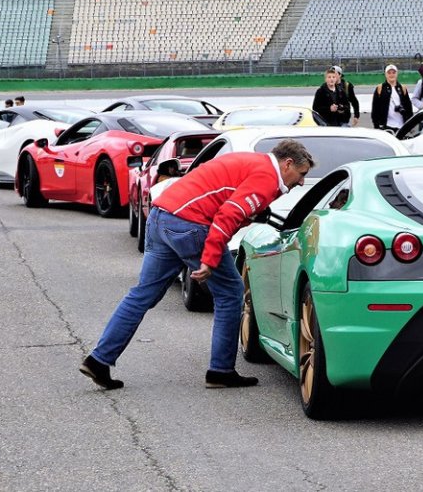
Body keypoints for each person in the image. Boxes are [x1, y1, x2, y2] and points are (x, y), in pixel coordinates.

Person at [81, 139, 314, 391]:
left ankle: (98, 360)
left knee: (142, 295)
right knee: (230, 293)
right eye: (301, 174)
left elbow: (228, 203)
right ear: (287, 163)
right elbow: (227, 215)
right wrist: (209, 260)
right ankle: (220, 371)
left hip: (162, 217)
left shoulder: (252, 161)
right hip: (189, 225)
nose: (301, 181)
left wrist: (252, 217)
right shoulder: (267, 177)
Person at [371, 64, 415, 132]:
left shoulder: (403, 88)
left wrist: (410, 125)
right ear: (385, 74)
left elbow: (409, 108)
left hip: (401, 127)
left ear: (397, 74)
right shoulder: (380, 88)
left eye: (393, 72)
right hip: (386, 127)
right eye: (389, 73)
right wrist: (377, 126)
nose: (391, 75)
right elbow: (375, 109)